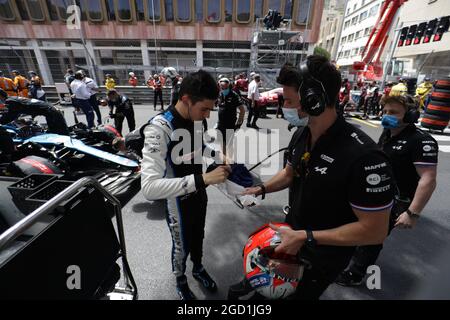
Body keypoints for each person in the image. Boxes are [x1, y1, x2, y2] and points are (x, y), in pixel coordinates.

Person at [230, 55, 395, 300]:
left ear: (313, 101)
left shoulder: (365, 157)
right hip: (290, 238)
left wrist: (306, 237)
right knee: (248, 293)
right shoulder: (301, 134)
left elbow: (374, 231)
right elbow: (289, 173)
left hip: (320, 259)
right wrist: (261, 189)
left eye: (287, 100)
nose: (282, 107)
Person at [141, 70, 231, 300]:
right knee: (181, 247)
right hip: (177, 204)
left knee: (198, 236)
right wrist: (203, 179)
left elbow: (199, 148)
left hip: (199, 194)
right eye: (204, 109)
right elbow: (149, 188)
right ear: (185, 100)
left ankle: (198, 268)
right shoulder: (159, 128)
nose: (207, 115)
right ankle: (180, 280)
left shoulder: (196, 119)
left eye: (211, 110)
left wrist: (218, 155)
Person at [335, 94, 438, 286]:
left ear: (411, 116)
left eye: (393, 112)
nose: (386, 116)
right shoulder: (388, 134)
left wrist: (412, 213)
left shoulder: (421, 141)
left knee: (372, 235)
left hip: (398, 200)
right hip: (375, 193)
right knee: (354, 225)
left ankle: (355, 274)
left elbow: (428, 179)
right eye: (385, 111)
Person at [217, 77, 245, 156]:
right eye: (222, 87)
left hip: (230, 124)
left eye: (225, 87)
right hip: (220, 124)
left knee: (229, 144)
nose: (223, 89)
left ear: (228, 86)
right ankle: (223, 159)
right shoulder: (220, 94)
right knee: (221, 142)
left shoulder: (234, 95)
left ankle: (229, 161)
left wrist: (239, 123)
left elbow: (242, 110)